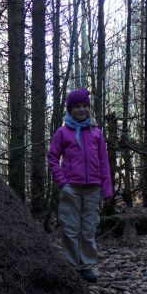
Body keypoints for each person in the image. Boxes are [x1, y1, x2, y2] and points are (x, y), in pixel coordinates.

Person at [47, 88, 113, 283]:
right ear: (70, 109)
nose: (82, 110)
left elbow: (103, 161)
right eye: (78, 107)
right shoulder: (62, 132)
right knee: (70, 227)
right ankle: (72, 266)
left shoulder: (96, 132)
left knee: (88, 228)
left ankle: (86, 267)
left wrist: (106, 187)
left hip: (93, 188)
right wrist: (62, 182)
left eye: (85, 106)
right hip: (71, 189)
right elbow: (52, 158)